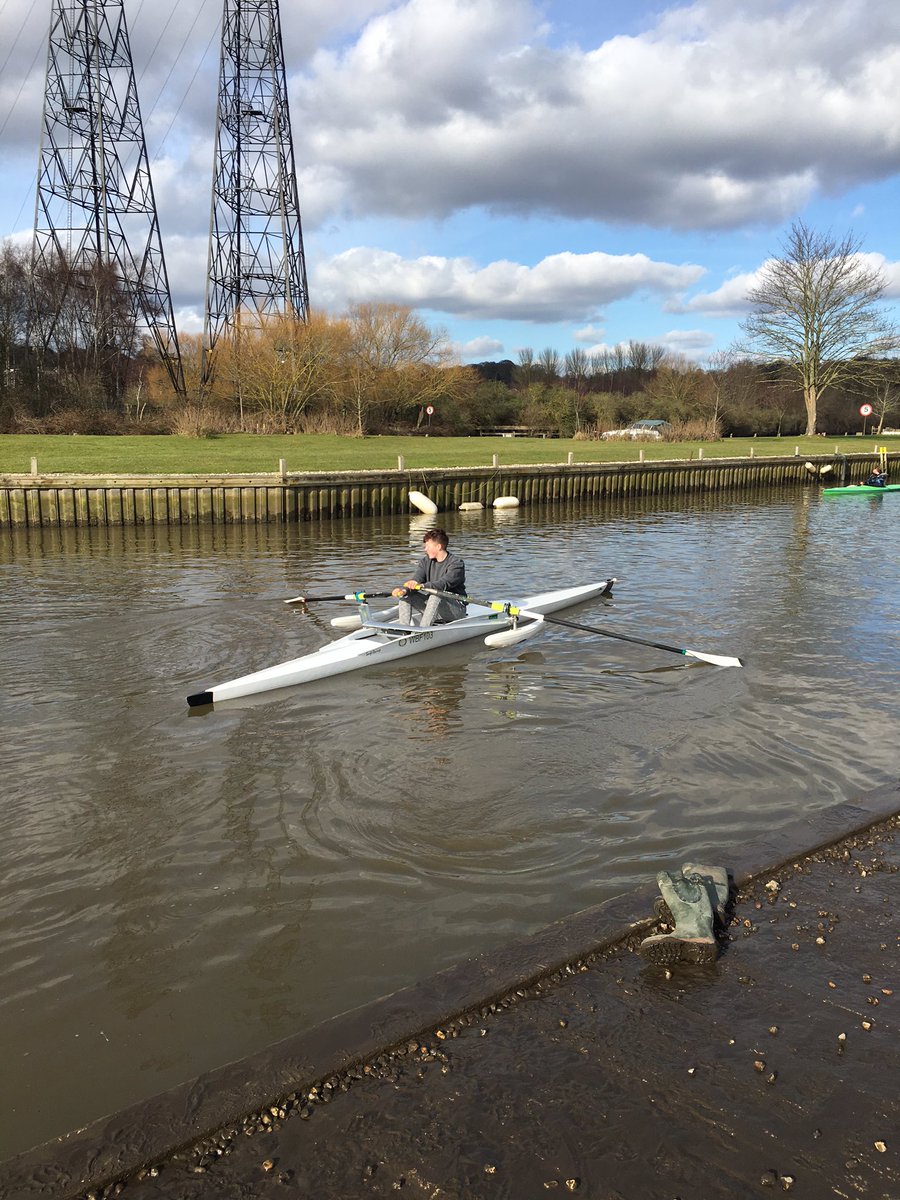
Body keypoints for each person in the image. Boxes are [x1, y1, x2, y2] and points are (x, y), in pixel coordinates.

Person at [392, 527, 467, 626]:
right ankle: (404, 629)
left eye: (427, 546)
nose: (425, 549)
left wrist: (423, 586)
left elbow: (443, 584)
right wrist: (404, 590)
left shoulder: (456, 564)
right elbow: (417, 579)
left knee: (436, 594)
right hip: (433, 605)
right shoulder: (425, 562)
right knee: (405, 595)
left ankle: (423, 630)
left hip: (456, 609)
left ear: (438, 547)